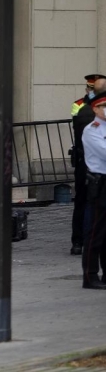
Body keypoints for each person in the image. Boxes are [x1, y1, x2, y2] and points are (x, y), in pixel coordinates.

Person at [70, 75, 101, 255]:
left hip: (88, 158)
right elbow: (79, 124)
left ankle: (81, 240)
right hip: (85, 158)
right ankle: (79, 240)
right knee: (83, 200)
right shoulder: (81, 106)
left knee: (85, 201)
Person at [81, 91, 106, 290]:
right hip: (100, 183)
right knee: (95, 232)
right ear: (95, 109)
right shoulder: (92, 130)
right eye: (104, 106)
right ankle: (89, 276)